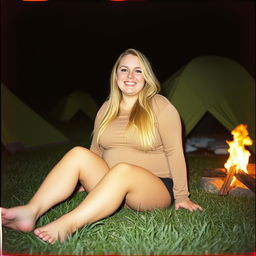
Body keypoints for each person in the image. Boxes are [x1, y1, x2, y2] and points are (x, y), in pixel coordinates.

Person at [1, 48, 203, 244]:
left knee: (123, 170)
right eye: (124, 69)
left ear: (147, 77)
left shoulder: (161, 106)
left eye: (138, 70)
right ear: (116, 76)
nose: (130, 75)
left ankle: (67, 225)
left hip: (155, 189)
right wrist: (82, 180)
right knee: (78, 153)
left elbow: (175, 152)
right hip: (112, 182)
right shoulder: (107, 108)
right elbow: (96, 150)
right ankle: (30, 211)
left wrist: (182, 197)